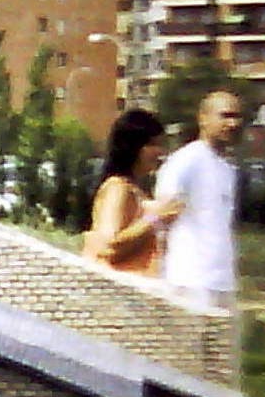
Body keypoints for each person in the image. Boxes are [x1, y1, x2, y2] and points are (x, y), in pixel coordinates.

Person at [153, 90, 244, 308]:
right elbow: (162, 215)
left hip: (222, 281)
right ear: (203, 118)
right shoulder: (186, 161)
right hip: (189, 281)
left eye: (237, 117)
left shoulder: (226, 168)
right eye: (225, 116)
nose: (233, 124)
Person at [83, 107, 184, 275]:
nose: (160, 152)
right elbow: (108, 247)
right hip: (116, 287)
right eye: (152, 144)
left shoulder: (136, 189)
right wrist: (155, 218)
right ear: (133, 147)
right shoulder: (117, 188)